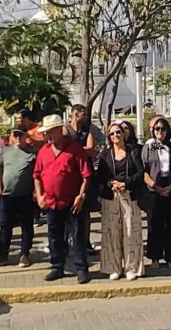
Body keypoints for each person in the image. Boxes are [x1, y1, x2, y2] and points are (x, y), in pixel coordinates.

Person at [33, 115, 93, 284]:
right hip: (52, 202)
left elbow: (86, 176)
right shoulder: (44, 151)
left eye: (51, 132)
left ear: (60, 130)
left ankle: (81, 269)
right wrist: (39, 195)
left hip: (73, 202)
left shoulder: (75, 149)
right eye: (46, 133)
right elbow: (37, 176)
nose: (48, 136)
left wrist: (81, 196)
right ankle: (57, 267)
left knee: (78, 236)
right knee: (54, 237)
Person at [95, 123, 146, 281]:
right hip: (111, 197)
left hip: (129, 196)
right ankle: (114, 267)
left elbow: (141, 173)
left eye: (118, 132)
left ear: (124, 134)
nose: (115, 136)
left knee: (131, 232)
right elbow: (100, 177)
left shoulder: (133, 151)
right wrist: (112, 184)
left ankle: (131, 268)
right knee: (112, 233)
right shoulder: (105, 154)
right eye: (112, 134)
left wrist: (126, 184)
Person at [0, 127, 38, 268]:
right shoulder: (6, 151)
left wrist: (36, 191)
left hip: (25, 194)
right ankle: (2, 255)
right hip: (7, 195)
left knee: (26, 225)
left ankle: (24, 254)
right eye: (15, 135)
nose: (18, 138)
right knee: (5, 226)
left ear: (26, 136)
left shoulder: (33, 152)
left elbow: (38, 173)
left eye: (21, 135)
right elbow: (0, 169)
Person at [141, 118, 171, 269]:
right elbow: (144, 169)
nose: (160, 132)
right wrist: (156, 187)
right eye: (157, 129)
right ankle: (155, 257)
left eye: (163, 129)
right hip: (153, 187)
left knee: (170, 223)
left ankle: (170, 256)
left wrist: (170, 187)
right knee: (154, 224)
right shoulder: (149, 146)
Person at [66, 104, 104, 255]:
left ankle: (86, 242)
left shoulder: (88, 130)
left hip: (86, 174)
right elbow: (66, 149)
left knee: (86, 211)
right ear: (76, 115)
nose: (86, 117)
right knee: (68, 210)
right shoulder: (65, 130)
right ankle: (67, 241)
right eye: (84, 114)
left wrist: (75, 150)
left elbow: (91, 149)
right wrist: (82, 151)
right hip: (70, 174)